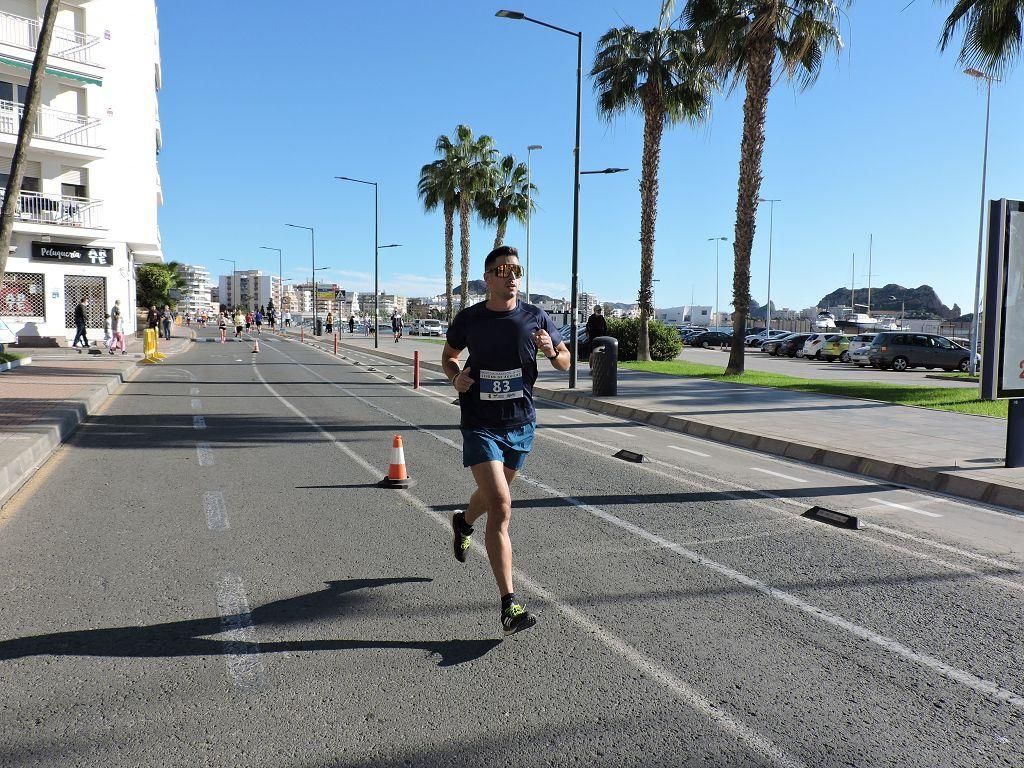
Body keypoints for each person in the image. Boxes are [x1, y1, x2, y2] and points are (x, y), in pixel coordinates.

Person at [442, 245, 569, 636]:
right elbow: (448, 356)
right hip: (480, 422)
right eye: (502, 269)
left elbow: (565, 361)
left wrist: (552, 352)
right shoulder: (470, 319)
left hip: (521, 424)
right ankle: (509, 604)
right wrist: (455, 377)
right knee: (501, 503)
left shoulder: (535, 316)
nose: (511, 275)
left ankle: (463, 522)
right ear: (487, 278)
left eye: (516, 269)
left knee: (490, 498)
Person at [585, 304, 608, 372]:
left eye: (600, 310)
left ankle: (599, 367)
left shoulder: (601, 318)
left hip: (601, 338)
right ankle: (591, 368)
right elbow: (589, 328)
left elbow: (605, 327)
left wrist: (604, 335)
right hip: (593, 339)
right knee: (592, 354)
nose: (599, 311)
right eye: (598, 310)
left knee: (600, 353)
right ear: (594, 310)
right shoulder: (591, 318)